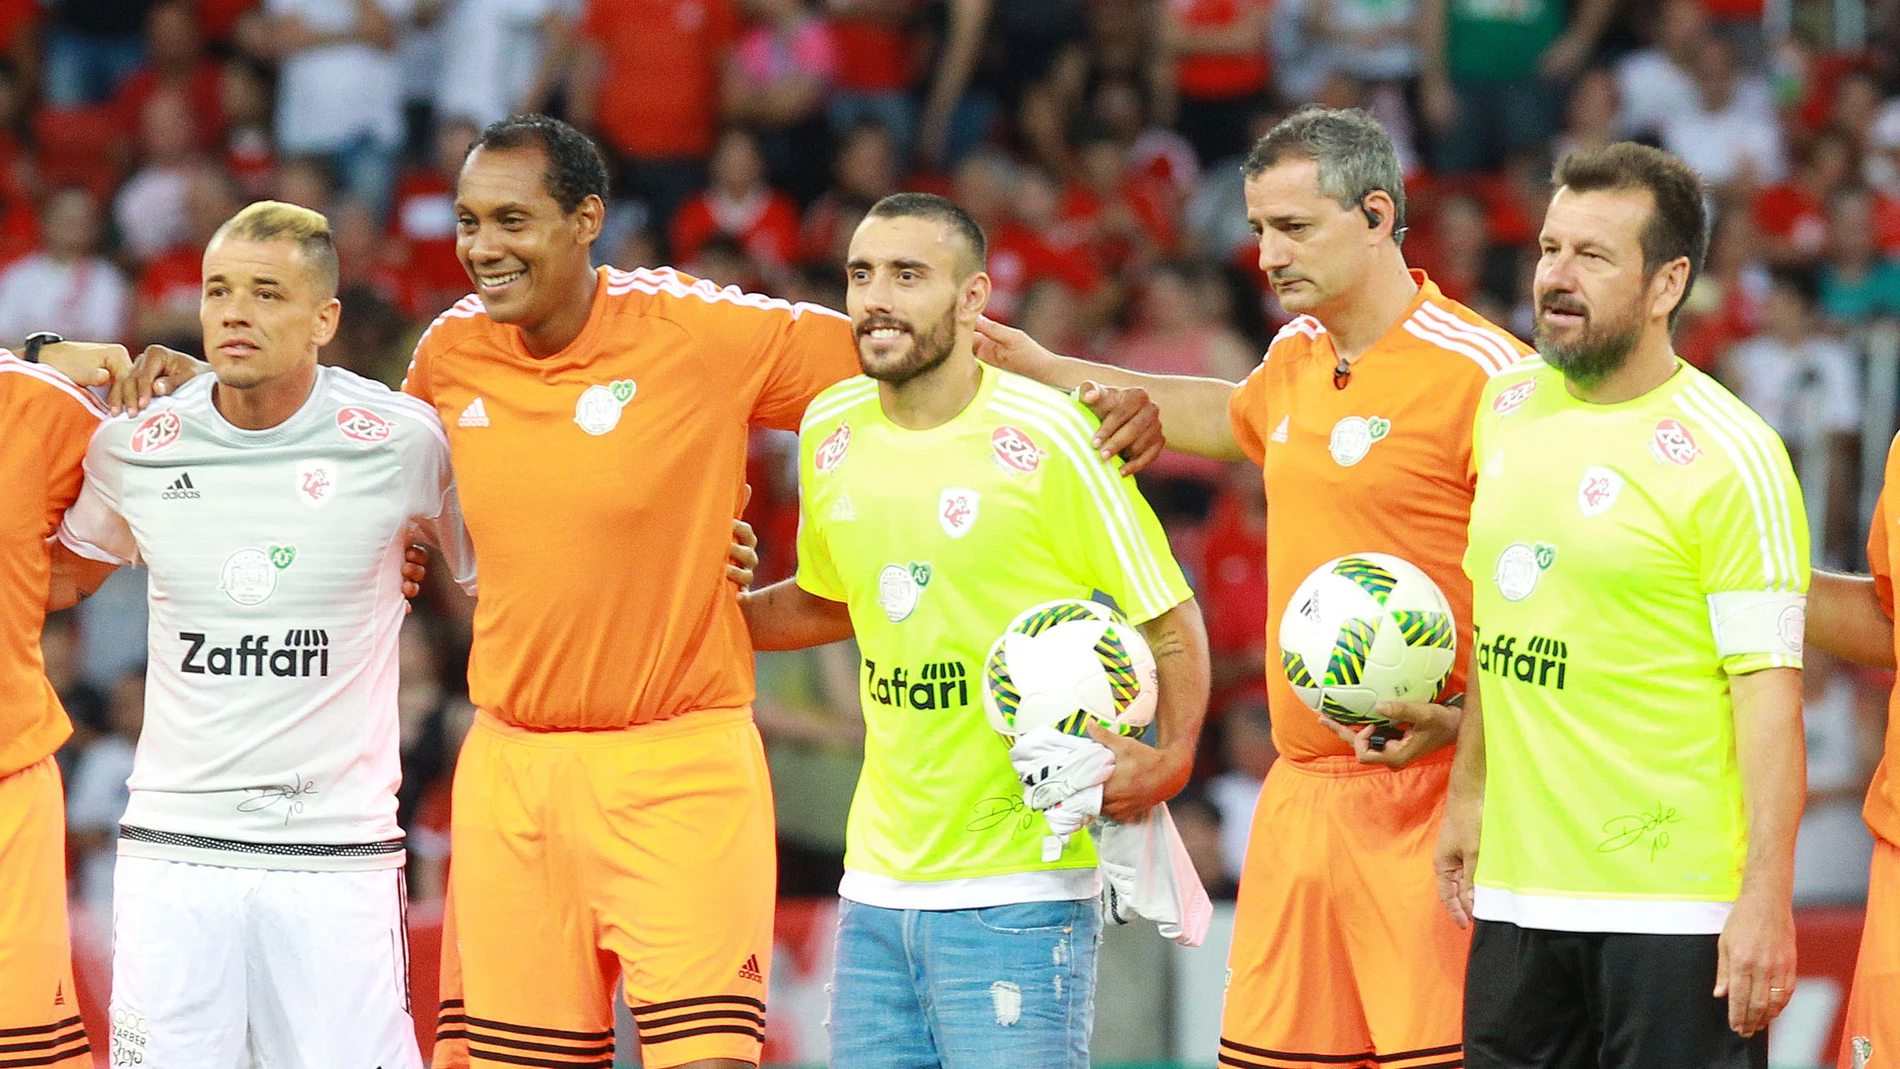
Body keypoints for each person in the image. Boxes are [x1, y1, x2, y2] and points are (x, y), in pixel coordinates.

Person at [407, 113, 1161, 1069]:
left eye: (511, 219)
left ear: (586, 218)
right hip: (511, 771)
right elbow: (363, 465)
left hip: (678, 763)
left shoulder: (700, 331)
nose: (483, 246)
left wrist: (1081, 391)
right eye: (468, 221)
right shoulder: (449, 352)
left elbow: (916, 345)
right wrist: (204, 393)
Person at [977, 105, 1533, 1068]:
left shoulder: (1489, 377)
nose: (1268, 254)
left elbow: (1540, 598)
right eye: (1257, 230)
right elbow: (1233, 414)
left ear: (1375, 214)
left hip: (1434, 796)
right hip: (1300, 795)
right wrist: (1055, 370)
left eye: (1293, 227)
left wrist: (1470, 742)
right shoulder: (1294, 356)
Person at [738, 192, 1210, 1069]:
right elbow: (833, 598)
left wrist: (1174, 753)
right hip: (875, 881)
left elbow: (1168, 615)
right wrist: (703, 620)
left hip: (1020, 884)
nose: (876, 297)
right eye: (861, 274)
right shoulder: (830, 429)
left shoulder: (1057, 435)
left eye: (908, 275)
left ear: (972, 298)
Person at [51, 200, 476, 1068]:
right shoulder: (137, 440)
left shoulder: (401, 443)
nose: (234, 312)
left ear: (325, 318)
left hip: (335, 853)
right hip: (176, 848)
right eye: (217, 290)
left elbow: (495, 585)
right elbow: (58, 577)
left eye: (266, 292)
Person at [1438, 142, 1805, 1065]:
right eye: (1549, 249)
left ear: (1666, 282)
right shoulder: (1505, 406)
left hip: (1673, 909)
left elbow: (1769, 698)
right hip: (1520, 899)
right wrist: (1468, 790)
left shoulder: (1736, 454)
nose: (1557, 277)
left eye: (1593, 256)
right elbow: (1499, 618)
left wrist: (1764, 893)